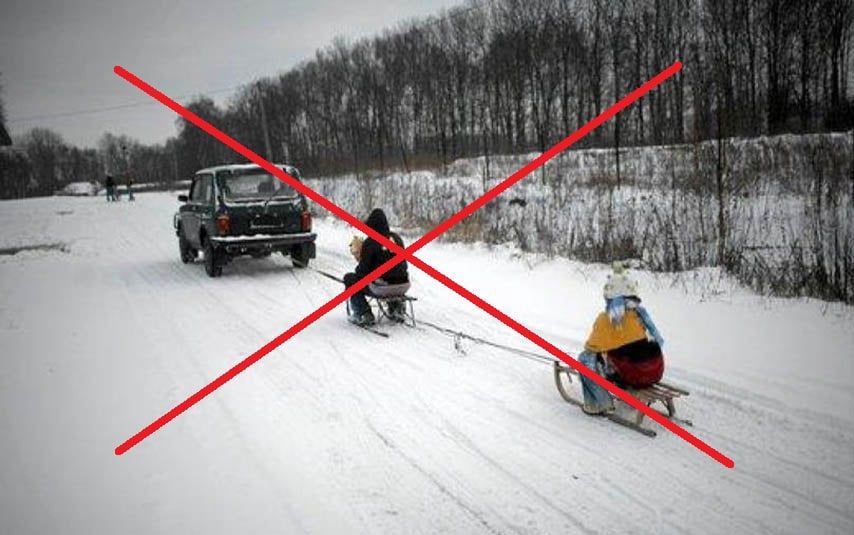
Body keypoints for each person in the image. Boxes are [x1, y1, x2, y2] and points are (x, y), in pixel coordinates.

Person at [577, 263, 665, 415]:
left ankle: (598, 404)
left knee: (585, 358)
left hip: (635, 376)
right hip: (655, 371)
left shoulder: (607, 318)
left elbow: (591, 347)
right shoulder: (640, 314)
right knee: (622, 351)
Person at [343, 208, 410, 326]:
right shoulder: (397, 238)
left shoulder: (370, 242)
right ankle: (396, 308)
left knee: (349, 279)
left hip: (381, 288)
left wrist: (360, 258)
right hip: (404, 285)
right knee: (391, 274)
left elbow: (362, 272)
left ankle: (363, 313)